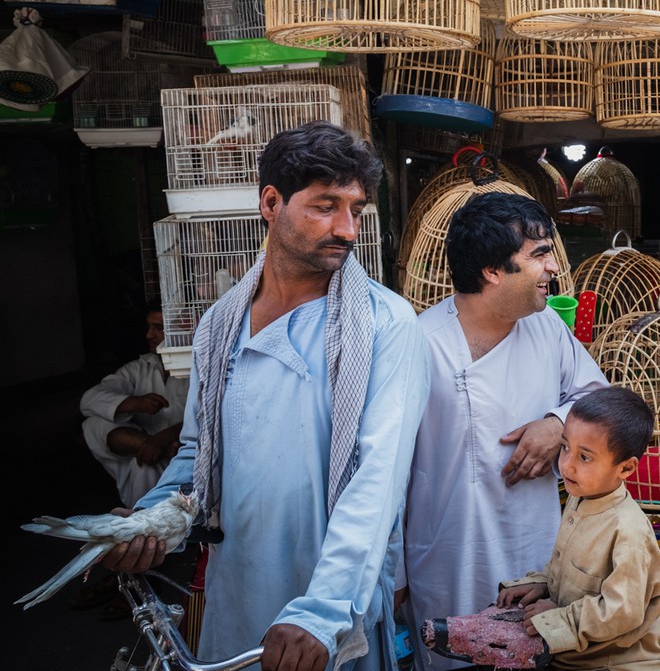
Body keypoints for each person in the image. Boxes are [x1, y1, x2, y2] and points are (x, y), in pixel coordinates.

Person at [102, 121, 431, 671]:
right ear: (271, 203)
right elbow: (198, 454)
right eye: (326, 205)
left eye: (356, 209)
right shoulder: (219, 324)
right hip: (236, 594)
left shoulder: (385, 324)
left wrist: (321, 613)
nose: (347, 229)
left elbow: (378, 482)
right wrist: (149, 521)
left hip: (327, 611)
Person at [400, 191, 609, 671]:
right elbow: (383, 473)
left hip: (533, 556)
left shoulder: (548, 330)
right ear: (492, 270)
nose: (554, 267)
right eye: (539, 255)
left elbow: (598, 400)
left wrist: (557, 423)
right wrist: (391, 575)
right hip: (447, 560)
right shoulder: (418, 343)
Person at [496, 387, 660, 671]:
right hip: (572, 655)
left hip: (616, 664)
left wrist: (560, 618)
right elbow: (579, 573)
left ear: (626, 469)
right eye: (565, 447)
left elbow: (622, 611)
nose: (567, 465)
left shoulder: (629, 531)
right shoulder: (580, 496)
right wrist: (543, 583)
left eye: (585, 457)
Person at [80, 300, 189, 509]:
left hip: (186, 456)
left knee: (144, 465)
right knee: (93, 423)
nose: (149, 335)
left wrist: (164, 438)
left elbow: (209, 416)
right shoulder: (139, 368)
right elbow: (88, 400)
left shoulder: (197, 367)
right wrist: (133, 403)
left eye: (158, 328)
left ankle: (143, 527)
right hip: (151, 453)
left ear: (181, 330)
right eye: (148, 327)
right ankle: (145, 445)